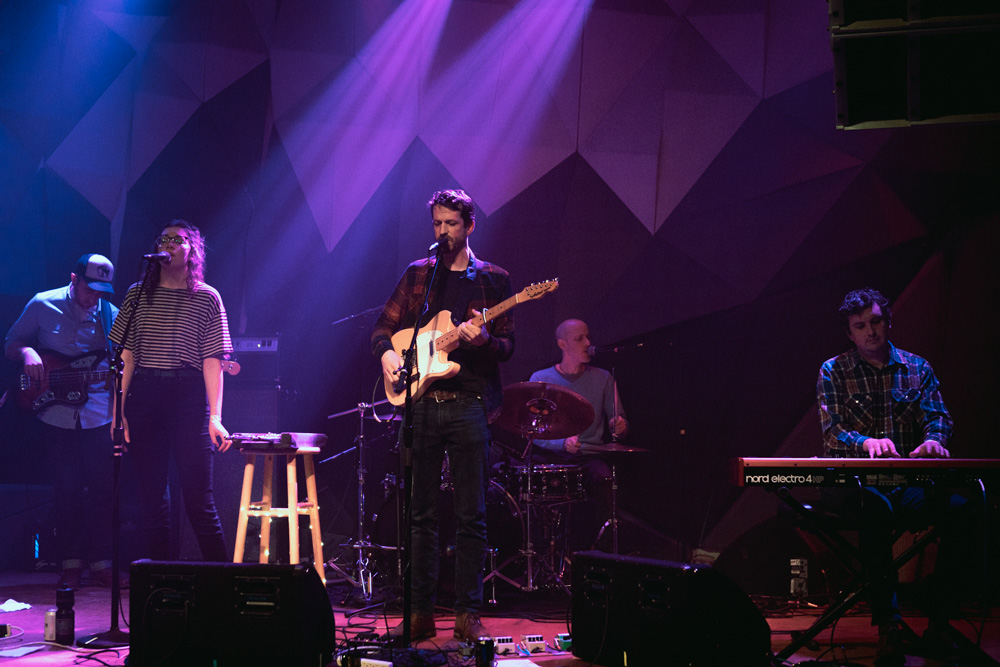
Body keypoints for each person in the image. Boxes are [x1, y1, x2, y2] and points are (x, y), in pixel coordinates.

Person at [371, 189, 514, 642]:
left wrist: (482, 341)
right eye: (437, 224)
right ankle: (418, 613)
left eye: (451, 224)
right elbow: (383, 329)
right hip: (422, 407)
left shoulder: (494, 280)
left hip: (471, 405)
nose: (442, 232)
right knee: (420, 515)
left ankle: (468, 614)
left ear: (469, 225)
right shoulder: (419, 275)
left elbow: (508, 346)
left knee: (472, 515)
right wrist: (388, 359)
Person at [817, 288, 973, 666]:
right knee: (875, 508)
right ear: (850, 333)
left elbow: (938, 416)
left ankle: (938, 621)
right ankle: (889, 626)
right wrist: (866, 442)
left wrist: (935, 441)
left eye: (876, 321)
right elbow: (832, 432)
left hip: (906, 484)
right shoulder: (833, 370)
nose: (870, 331)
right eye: (860, 326)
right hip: (852, 486)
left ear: (888, 322)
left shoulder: (917, 368)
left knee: (964, 510)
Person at [109, 220, 233, 562]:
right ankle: (159, 588)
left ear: (193, 250)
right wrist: (118, 413)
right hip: (145, 397)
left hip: (187, 399)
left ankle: (221, 587)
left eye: (177, 240)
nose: (168, 245)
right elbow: (127, 358)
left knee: (198, 502)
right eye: (163, 239)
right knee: (152, 502)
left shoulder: (207, 297)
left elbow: (213, 361)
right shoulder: (137, 295)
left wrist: (216, 417)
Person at [5, 254, 120, 588]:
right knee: (65, 490)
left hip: (98, 413)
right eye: (89, 288)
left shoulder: (110, 315)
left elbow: (119, 364)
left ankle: (100, 562)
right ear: (74, 279)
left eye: (101, 291)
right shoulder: (43, 304)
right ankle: (70, 562)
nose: (93, 297)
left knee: (101, 492)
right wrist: (28, 353)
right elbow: (11, 342)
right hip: (54, 413)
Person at [528, 319, 628, 548]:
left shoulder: (603, 378)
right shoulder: (541, 378)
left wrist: (619, 425)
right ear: (562, 344)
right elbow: (534, 429)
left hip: (589, 456)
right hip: (552, 458)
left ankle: (604, 552)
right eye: (579, 339)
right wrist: (560, 444)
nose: (588, 343)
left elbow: (619, 421)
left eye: (587, 337)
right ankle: (544, 551)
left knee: (606, 479)